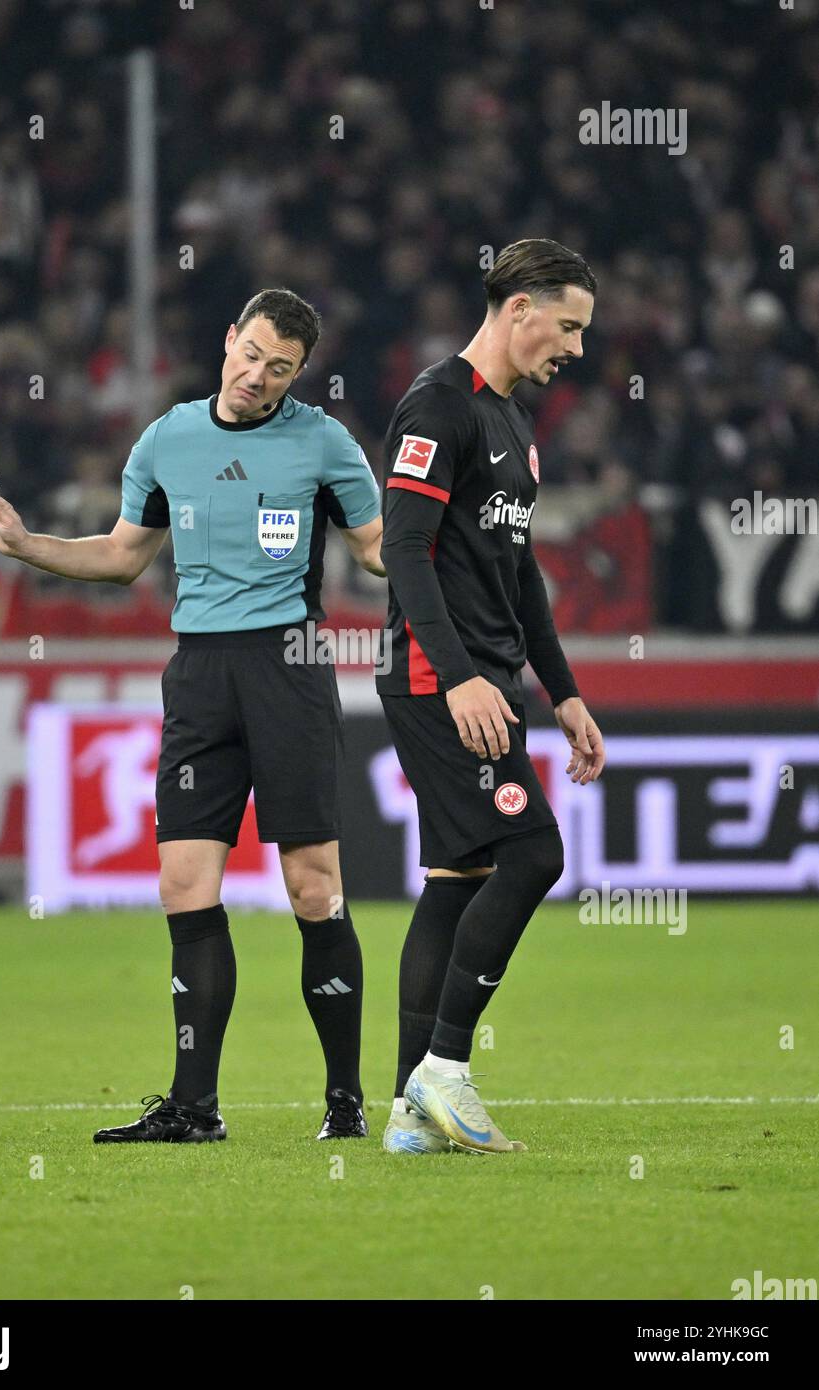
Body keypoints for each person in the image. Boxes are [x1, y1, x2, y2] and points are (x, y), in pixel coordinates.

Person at [0, 287, 383, 1145]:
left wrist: (446, 540)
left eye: (280, 368)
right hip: (198, 675)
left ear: (300, 376)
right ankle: (194, 1109)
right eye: (251, 353)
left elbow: (379, 551)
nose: (257, 377)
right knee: (184, 885)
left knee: (312, 890)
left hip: (288, 668)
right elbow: (122, 556)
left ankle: (345, 1102)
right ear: (229, 339)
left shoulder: (324, 444)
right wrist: (26, 543)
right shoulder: (168, 438)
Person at [376, 240, 606, 1155]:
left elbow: (521, 576)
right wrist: (463, 675)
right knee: (534, 852)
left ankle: (406, 1114)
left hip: (484, 676)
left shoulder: (512, 427)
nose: (577, 350)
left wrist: (564, 691)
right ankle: (444, 1071)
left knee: (458, 875)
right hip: (443, 680)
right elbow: (403, 550)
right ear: (519, 310)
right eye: (570, 327)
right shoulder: (438, 405)